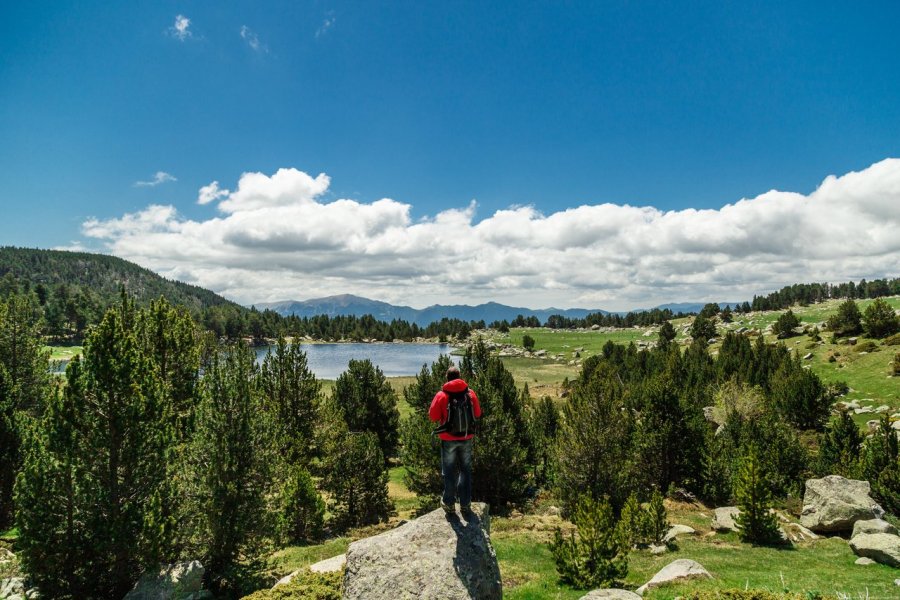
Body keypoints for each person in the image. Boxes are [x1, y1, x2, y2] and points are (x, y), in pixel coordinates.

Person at [429, 365, 482, 514]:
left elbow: (433, 416)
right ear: (460, 377)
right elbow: (477, 413)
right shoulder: (470, 393)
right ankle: (465, 504)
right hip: (466, 437)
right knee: (465, 470)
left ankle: (449, 503)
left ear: (447, 377)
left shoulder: (441, 395)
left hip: (448, 439)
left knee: (449, 470)